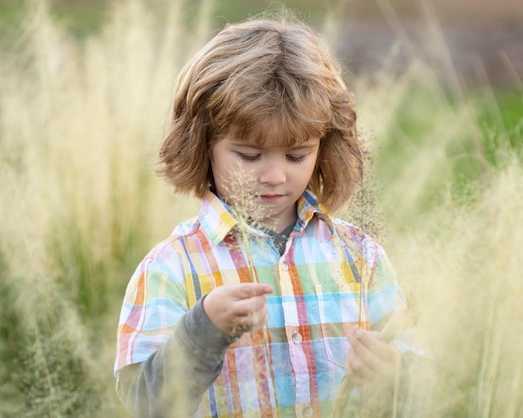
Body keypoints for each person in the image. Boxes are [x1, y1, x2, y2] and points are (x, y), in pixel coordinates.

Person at [114, 14, 415, 418]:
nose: (274, 176)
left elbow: (424, 386)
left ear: (324, 148)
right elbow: (142, 404)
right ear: (203, 144)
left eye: (297, 155)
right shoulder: (170, 270)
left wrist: (397, 377)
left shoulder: (361, 258)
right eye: (249, 155)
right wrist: (203, 329)